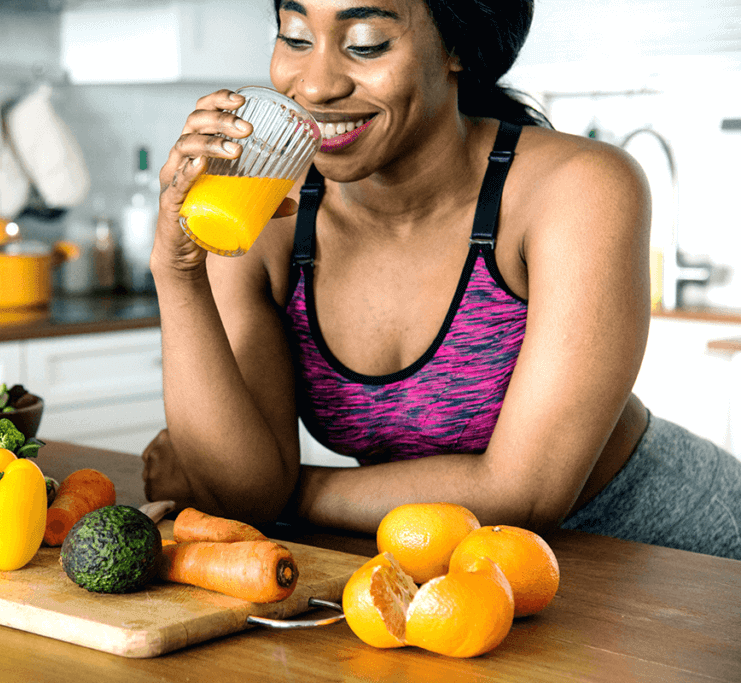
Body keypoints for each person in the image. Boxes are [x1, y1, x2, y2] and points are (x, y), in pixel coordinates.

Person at [142, 0, 741, 560]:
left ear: (457, 45)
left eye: (367, 43)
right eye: (295, 37)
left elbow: (522, 495)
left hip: (663, 551)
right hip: (453, 570)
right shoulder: (266, 209)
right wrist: (177, 272)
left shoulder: (578, 187)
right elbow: (242, 497)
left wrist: (291, 492)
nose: (317, 85)